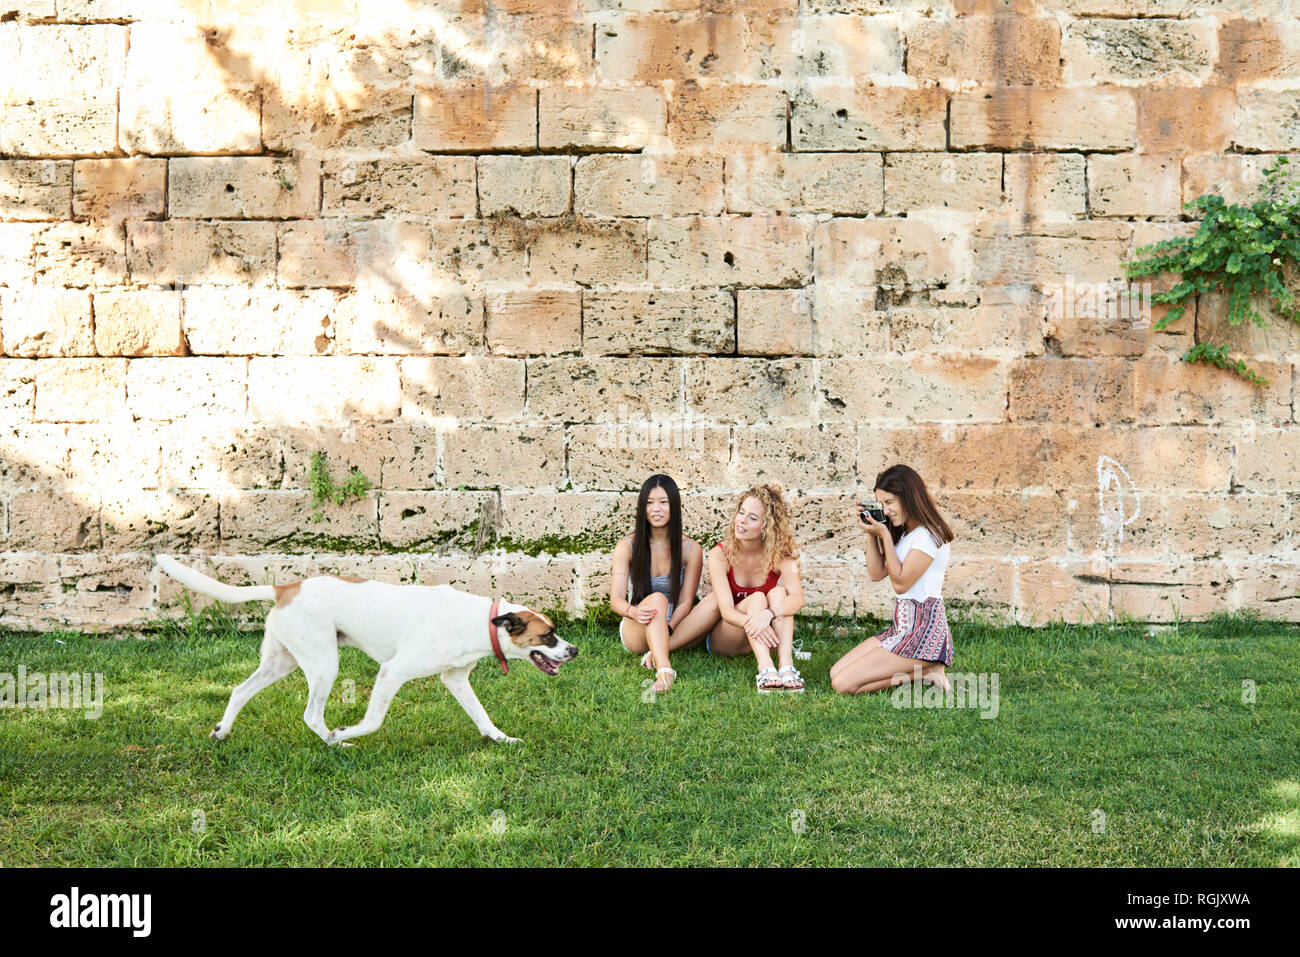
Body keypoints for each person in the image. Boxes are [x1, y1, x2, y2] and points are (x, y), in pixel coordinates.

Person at [830, 464, 955, 695]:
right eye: (881, 504)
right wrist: (871, 533)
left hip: (924, 632)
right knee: (835, 673)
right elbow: (876, 574)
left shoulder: (929, 535)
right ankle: (926, 671)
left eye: (889, 503)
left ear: (908, 497)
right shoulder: (906, 534)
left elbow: (901, 583)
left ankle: (928, 669)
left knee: (843, 684)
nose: (886, 511)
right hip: (902, 627)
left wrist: (885, 534)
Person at [669, 483, 806, 692]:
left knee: (779, 594)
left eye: (752, 518)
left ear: (767, 526)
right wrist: (758, 621)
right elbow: (726, 611)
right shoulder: (720, 554)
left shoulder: (781, 555)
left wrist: (768, 615)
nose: (741, 520)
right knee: (758, 598)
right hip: (726, 637)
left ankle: (786, 665)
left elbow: (798, 598)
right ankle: (765, 667)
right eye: (741, 513)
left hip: (759, 636)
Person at [609, 474, 702, 692]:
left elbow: (686, 602)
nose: (656, 509)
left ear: (674, 505)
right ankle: (665, 670)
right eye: (649, 503)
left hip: (676, 624)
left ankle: (659, 648)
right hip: (640, 621)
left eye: (663, 502)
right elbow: (615, 600)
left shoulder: (690, 548)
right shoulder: (627, 545)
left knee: (715, 601)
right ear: (643, 507)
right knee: (658, 600)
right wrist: (633, 612)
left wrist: (667, 628)